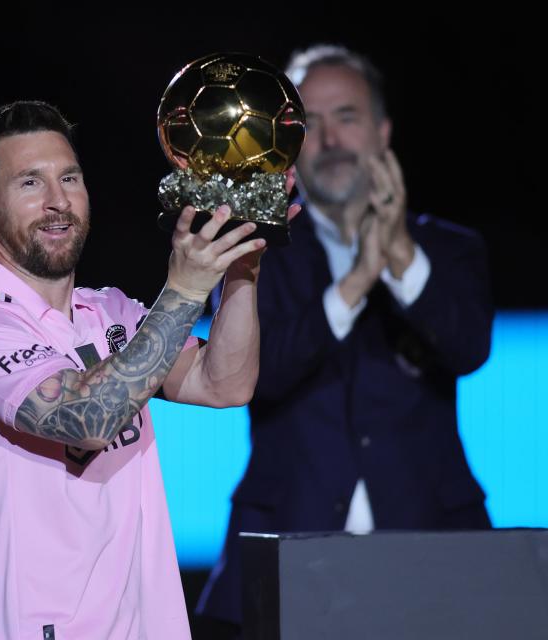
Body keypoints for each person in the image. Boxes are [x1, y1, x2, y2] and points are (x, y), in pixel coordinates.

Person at [0, 100, 290, 639]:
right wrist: (185, 289)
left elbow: (224, 383)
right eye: (30, 183)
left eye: (69, 178)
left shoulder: (112, 312)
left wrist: (240, 272)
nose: (58, 202)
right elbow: (88, 419)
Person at [197, 44, 494, 634]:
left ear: (383, 131)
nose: (331, 140)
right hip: (289, 551)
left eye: (348, 117)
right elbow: (261, 373)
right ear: (290, 145)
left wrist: (399, 257)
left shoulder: (451, 249)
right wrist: (356, 282)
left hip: (432, 552)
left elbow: (467, 348)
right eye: (313, 123)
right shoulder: (252, 253)